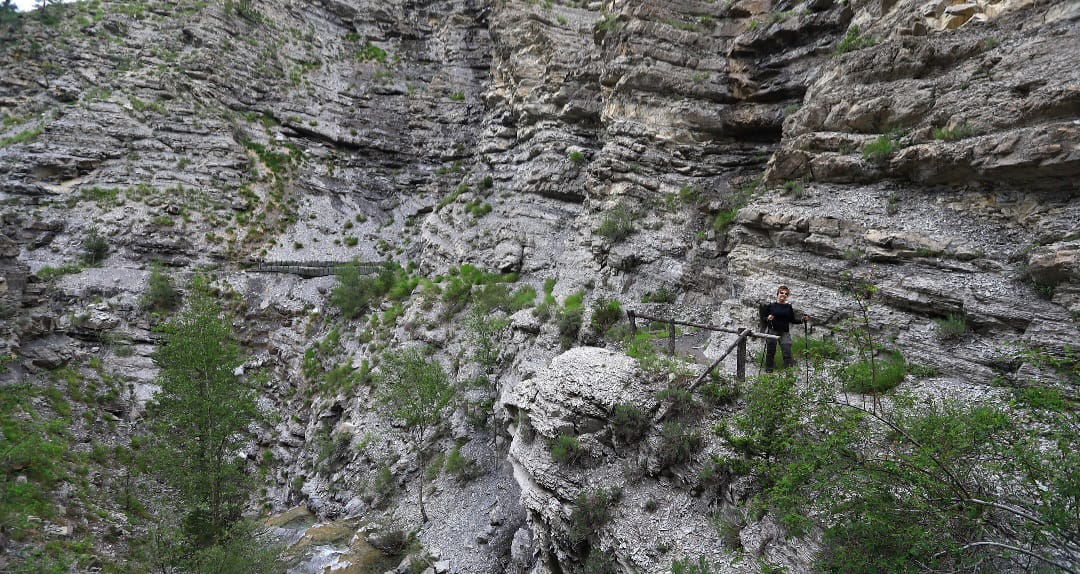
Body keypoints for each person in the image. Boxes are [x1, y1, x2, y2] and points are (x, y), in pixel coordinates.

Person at [764, 285, 809, 373]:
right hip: (772, 330)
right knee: (770, 351)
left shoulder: (788, 307)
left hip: (785, 332)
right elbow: (764, 317)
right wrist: (767, 318)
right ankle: (769, 372)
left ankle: (788, 373)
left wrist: (801, 320)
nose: (784, 295)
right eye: (782, 293)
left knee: (787, 351)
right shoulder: (771, 305)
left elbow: (792, 320)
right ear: (777, 293)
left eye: (786, 294)